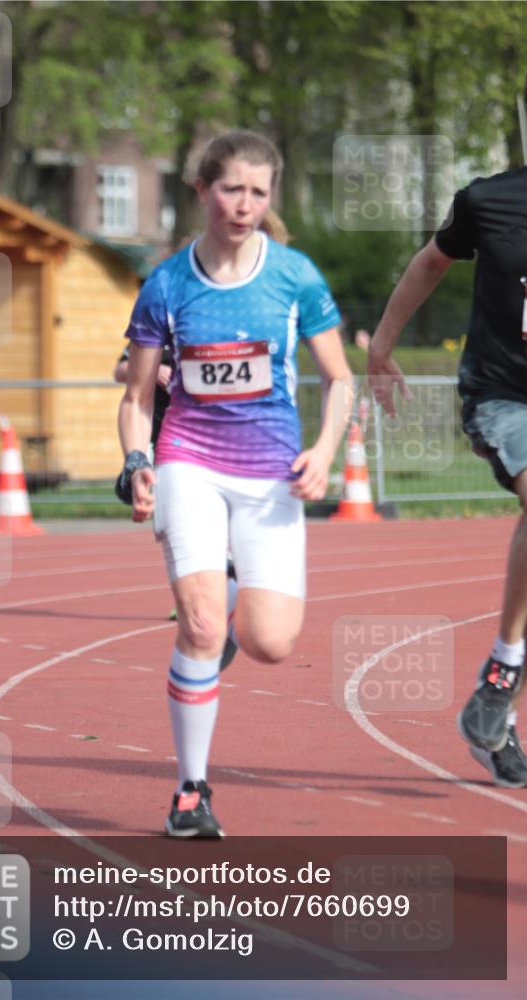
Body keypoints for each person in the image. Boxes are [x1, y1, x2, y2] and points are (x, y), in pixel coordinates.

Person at [116, 129, 353, 836]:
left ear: (269, 196)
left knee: (270, 642)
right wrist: (137, 461)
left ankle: (221, 591)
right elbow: (133, 397)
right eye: (230, 189)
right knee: (199, 626)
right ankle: (190, 791)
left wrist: (324, 449)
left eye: (257, 192)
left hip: (271, 473)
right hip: (190, 460)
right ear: (201, 191)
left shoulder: (295, 277)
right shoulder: (167, 283)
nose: (243, 205)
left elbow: (338, 380)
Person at [368, 163, 527, 788]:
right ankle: (502, 670)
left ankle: (497, 716)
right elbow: (431, 262)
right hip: (505, 395)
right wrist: (381, 344)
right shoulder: (488, 200)